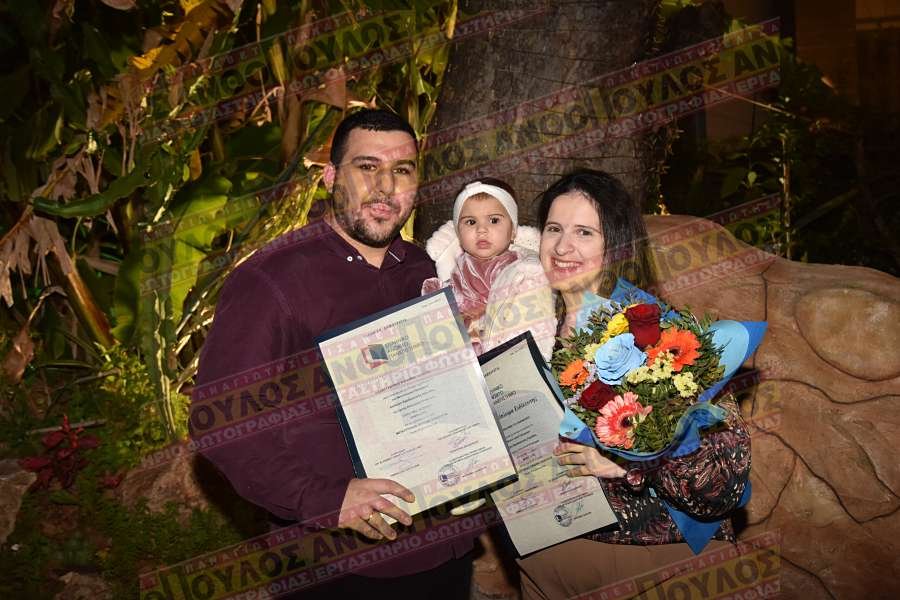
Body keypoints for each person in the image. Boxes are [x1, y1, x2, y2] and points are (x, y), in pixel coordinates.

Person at [191, 109, 479, 598]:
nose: (385, 187)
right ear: (330, 177)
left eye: (402, 170)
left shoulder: (428, 269)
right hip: (338, 562)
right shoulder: (270, 280)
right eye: (367, 167)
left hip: (446, 546)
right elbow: (218, 421)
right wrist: (325, 499)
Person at [517, 169, 752, 599]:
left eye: (584, 232)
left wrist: (635, 464)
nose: (563, 247)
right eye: (553, 229)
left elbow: (726, 482)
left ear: (617, 245)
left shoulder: (665, 337)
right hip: (547, 569)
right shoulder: (528, 334)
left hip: (657, 565)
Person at [421, 177, 556, 361]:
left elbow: (531, 323)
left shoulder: (521, 271)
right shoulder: (454, 269)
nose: (481, 230)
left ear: (513, 231)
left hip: (501, 356)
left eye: (493, 220)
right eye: (471, 222)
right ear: (458, 233)